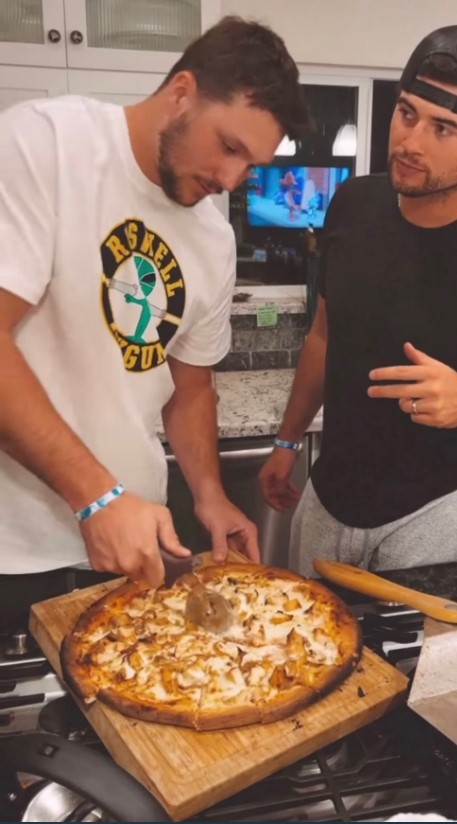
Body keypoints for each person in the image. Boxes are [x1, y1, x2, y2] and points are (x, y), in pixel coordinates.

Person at [0, 16, 311, 587]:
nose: (231, 178)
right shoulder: (44, 144)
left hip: (132, 543)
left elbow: (190, 387)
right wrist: (96, 498)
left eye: (251, 166)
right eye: (228, 146)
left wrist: (210, 496)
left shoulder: (213, 241)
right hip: (14, 549)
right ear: (181, 93)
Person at [260, 24, 457, 577]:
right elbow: (324, 335)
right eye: (407, 113)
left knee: (416, 666)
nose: (411, 142)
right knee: (300, 657)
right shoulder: (351, 205)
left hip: (437, 514)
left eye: (444, 128)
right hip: (329, 497)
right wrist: (287, 440)